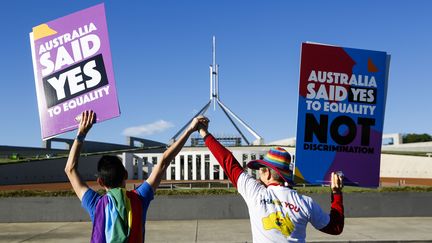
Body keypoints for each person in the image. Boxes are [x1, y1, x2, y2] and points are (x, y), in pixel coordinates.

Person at [195, 116, 344, 243]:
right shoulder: (306, 203)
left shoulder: (255, 192)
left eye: (260, 170)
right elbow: (335, 228)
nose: (258, 174)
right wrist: (336, 193)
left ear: (267, 173)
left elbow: (228, 161)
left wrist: (204, 132)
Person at [65, 110, 203, 242]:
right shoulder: (140, 198)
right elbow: (163, 162)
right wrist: (190, 129)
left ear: (100, 181)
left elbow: (70, 169)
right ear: (125, 174)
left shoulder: (95, 204)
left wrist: (81, 133)